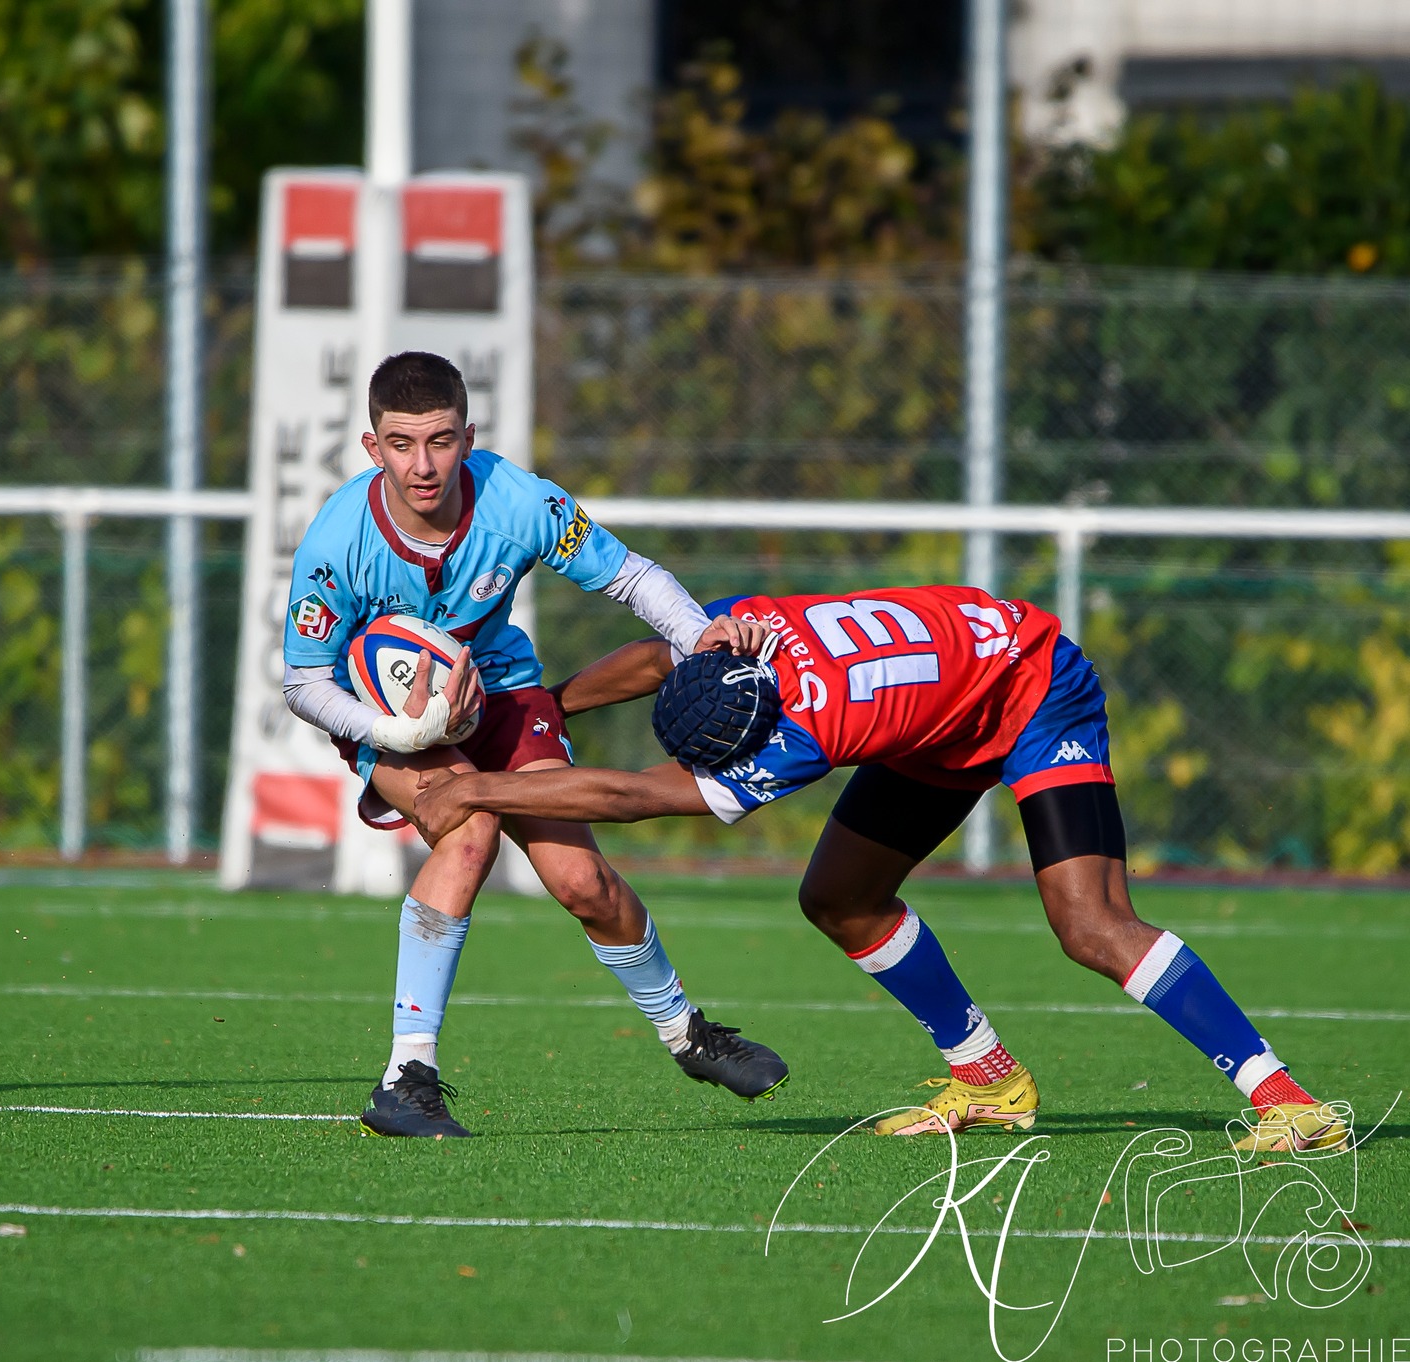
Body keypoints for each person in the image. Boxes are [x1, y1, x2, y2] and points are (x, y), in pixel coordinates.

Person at [414, 583, 1346, 1154]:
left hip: (1030, 684)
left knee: (1090, 923)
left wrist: (478, 787)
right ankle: (989, 1078)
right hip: (940, 704)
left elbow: (629, 796)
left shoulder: (800, 737)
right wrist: (554, 706)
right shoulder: (740, 631)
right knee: (840, 896)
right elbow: (661, 657)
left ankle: (1289, 1100)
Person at [283, 351, 786, 1138]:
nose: (423, 465)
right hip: (394, 721)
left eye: (441, 440)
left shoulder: (520, 500)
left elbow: (631, 576)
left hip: (506, 692)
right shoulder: (336, 540)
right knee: (471, 828)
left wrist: (701, 636)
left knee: (582, 879)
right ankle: (406, 1077)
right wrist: (394, 732)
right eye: (402, 444)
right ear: (372, 447)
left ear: (468, 435)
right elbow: (304, 682)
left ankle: (687, 1034)